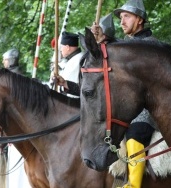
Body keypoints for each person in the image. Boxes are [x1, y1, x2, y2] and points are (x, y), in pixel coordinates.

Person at [92, 1, 156, 188]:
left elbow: (126, 50)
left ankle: (133, 185)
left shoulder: (150, 45)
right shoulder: (130, 45)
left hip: (147, 109)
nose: (122, 21)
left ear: (140, 19)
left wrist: (106, 40)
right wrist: (102, 39)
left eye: (127, 16)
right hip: (130, 109)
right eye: (120, 18)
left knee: (135, 133)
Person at [1, 48, 31, 188]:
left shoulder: (12, 81)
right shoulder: (14, 78)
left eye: (5, 60)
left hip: (21, 130)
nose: (3, 62)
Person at [50, 31, 85, 98]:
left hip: (75, 103)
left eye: (62, 47)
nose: (60, 50)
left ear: (67, 47)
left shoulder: (78, 59)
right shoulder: (74, 59)